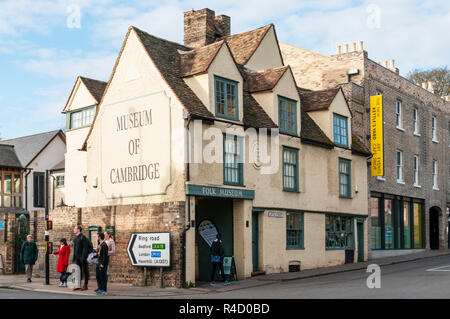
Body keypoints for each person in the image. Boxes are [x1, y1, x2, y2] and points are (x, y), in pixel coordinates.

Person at [72, 226, 90, 291]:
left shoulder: (83, 237)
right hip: (77, 257)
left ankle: (86, 285)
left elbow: (85, 248)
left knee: (85, 271)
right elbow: (75, 248)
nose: (74, 229)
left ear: (78, 230)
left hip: (83, 257)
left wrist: (83, 257)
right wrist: (74, 257)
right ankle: (78, 285)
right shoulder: (76, 238)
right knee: (78, 271)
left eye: (75, 228)